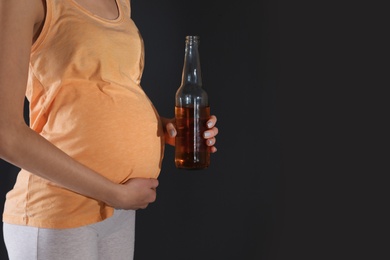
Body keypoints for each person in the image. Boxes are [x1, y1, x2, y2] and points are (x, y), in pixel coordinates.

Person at [0, 0, 218, 259]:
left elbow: (109, 86)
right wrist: (115, 194)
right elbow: (6, 134)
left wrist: (163, 127)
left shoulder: (120, 3)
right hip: (59, 209)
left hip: (119, 212)